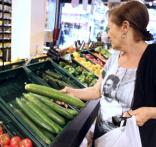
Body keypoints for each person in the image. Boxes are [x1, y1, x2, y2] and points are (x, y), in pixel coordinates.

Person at [61, 1, 156, 147]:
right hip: (103, 136)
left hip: (133, 140)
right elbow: (96, 91)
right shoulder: (114, 57)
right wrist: (70, 92)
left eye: (109, 28)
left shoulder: (152, 58)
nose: (107, 34)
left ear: (125, 27)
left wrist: (149, 112)